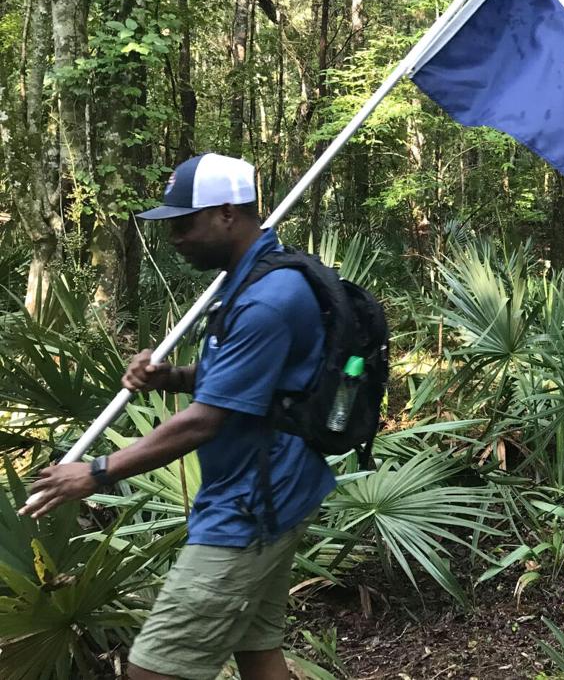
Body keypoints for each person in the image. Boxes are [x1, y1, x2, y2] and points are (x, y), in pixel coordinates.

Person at [21, 153, 335, 680]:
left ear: (227, 213)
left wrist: (97, 472)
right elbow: (250, 380)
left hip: (252, 502)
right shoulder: (255, 278)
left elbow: (203, 421)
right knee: (257, 651)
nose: (175, 238)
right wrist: (171, 377)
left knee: (154, 669)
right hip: (274, 488)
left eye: (185, 223)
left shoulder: (267, 298)